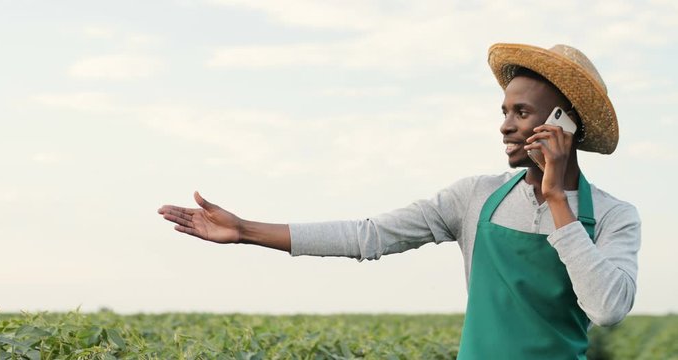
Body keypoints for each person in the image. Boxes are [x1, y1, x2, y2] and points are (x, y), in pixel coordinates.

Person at [158, 43, 641, 359]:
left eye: (521, 112)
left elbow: (608, 309)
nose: (504, 125)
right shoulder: (474, 196)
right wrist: (246, 230)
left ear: (564, 122)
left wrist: (557, 199)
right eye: (503, 111)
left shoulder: (615, 217)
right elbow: (369, 235)